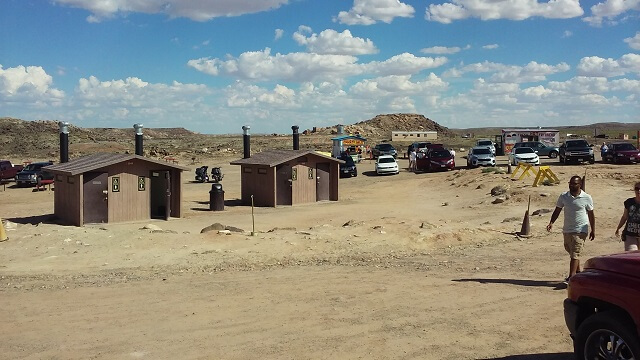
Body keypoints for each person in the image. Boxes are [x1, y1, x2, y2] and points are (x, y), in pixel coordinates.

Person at [547, 175, 595, 281]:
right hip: (567, 229)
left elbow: (591, 214)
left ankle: (571, 277)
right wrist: (551, 222)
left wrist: (593, 230)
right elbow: (557, 210)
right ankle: (578, 271)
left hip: (581, 229)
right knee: (570, 250)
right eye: (570, 183)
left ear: (580, 185)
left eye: (574, 184)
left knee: (575, 252)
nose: (571, 185)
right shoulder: (564, 196)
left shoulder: (587, 197)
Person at [615, 181, 640, 251]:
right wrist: (618, 228)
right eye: (637, 188)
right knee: (632, 256)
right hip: (630, 234)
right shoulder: (629, 202)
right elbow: (624, 217)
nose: (639, 191)